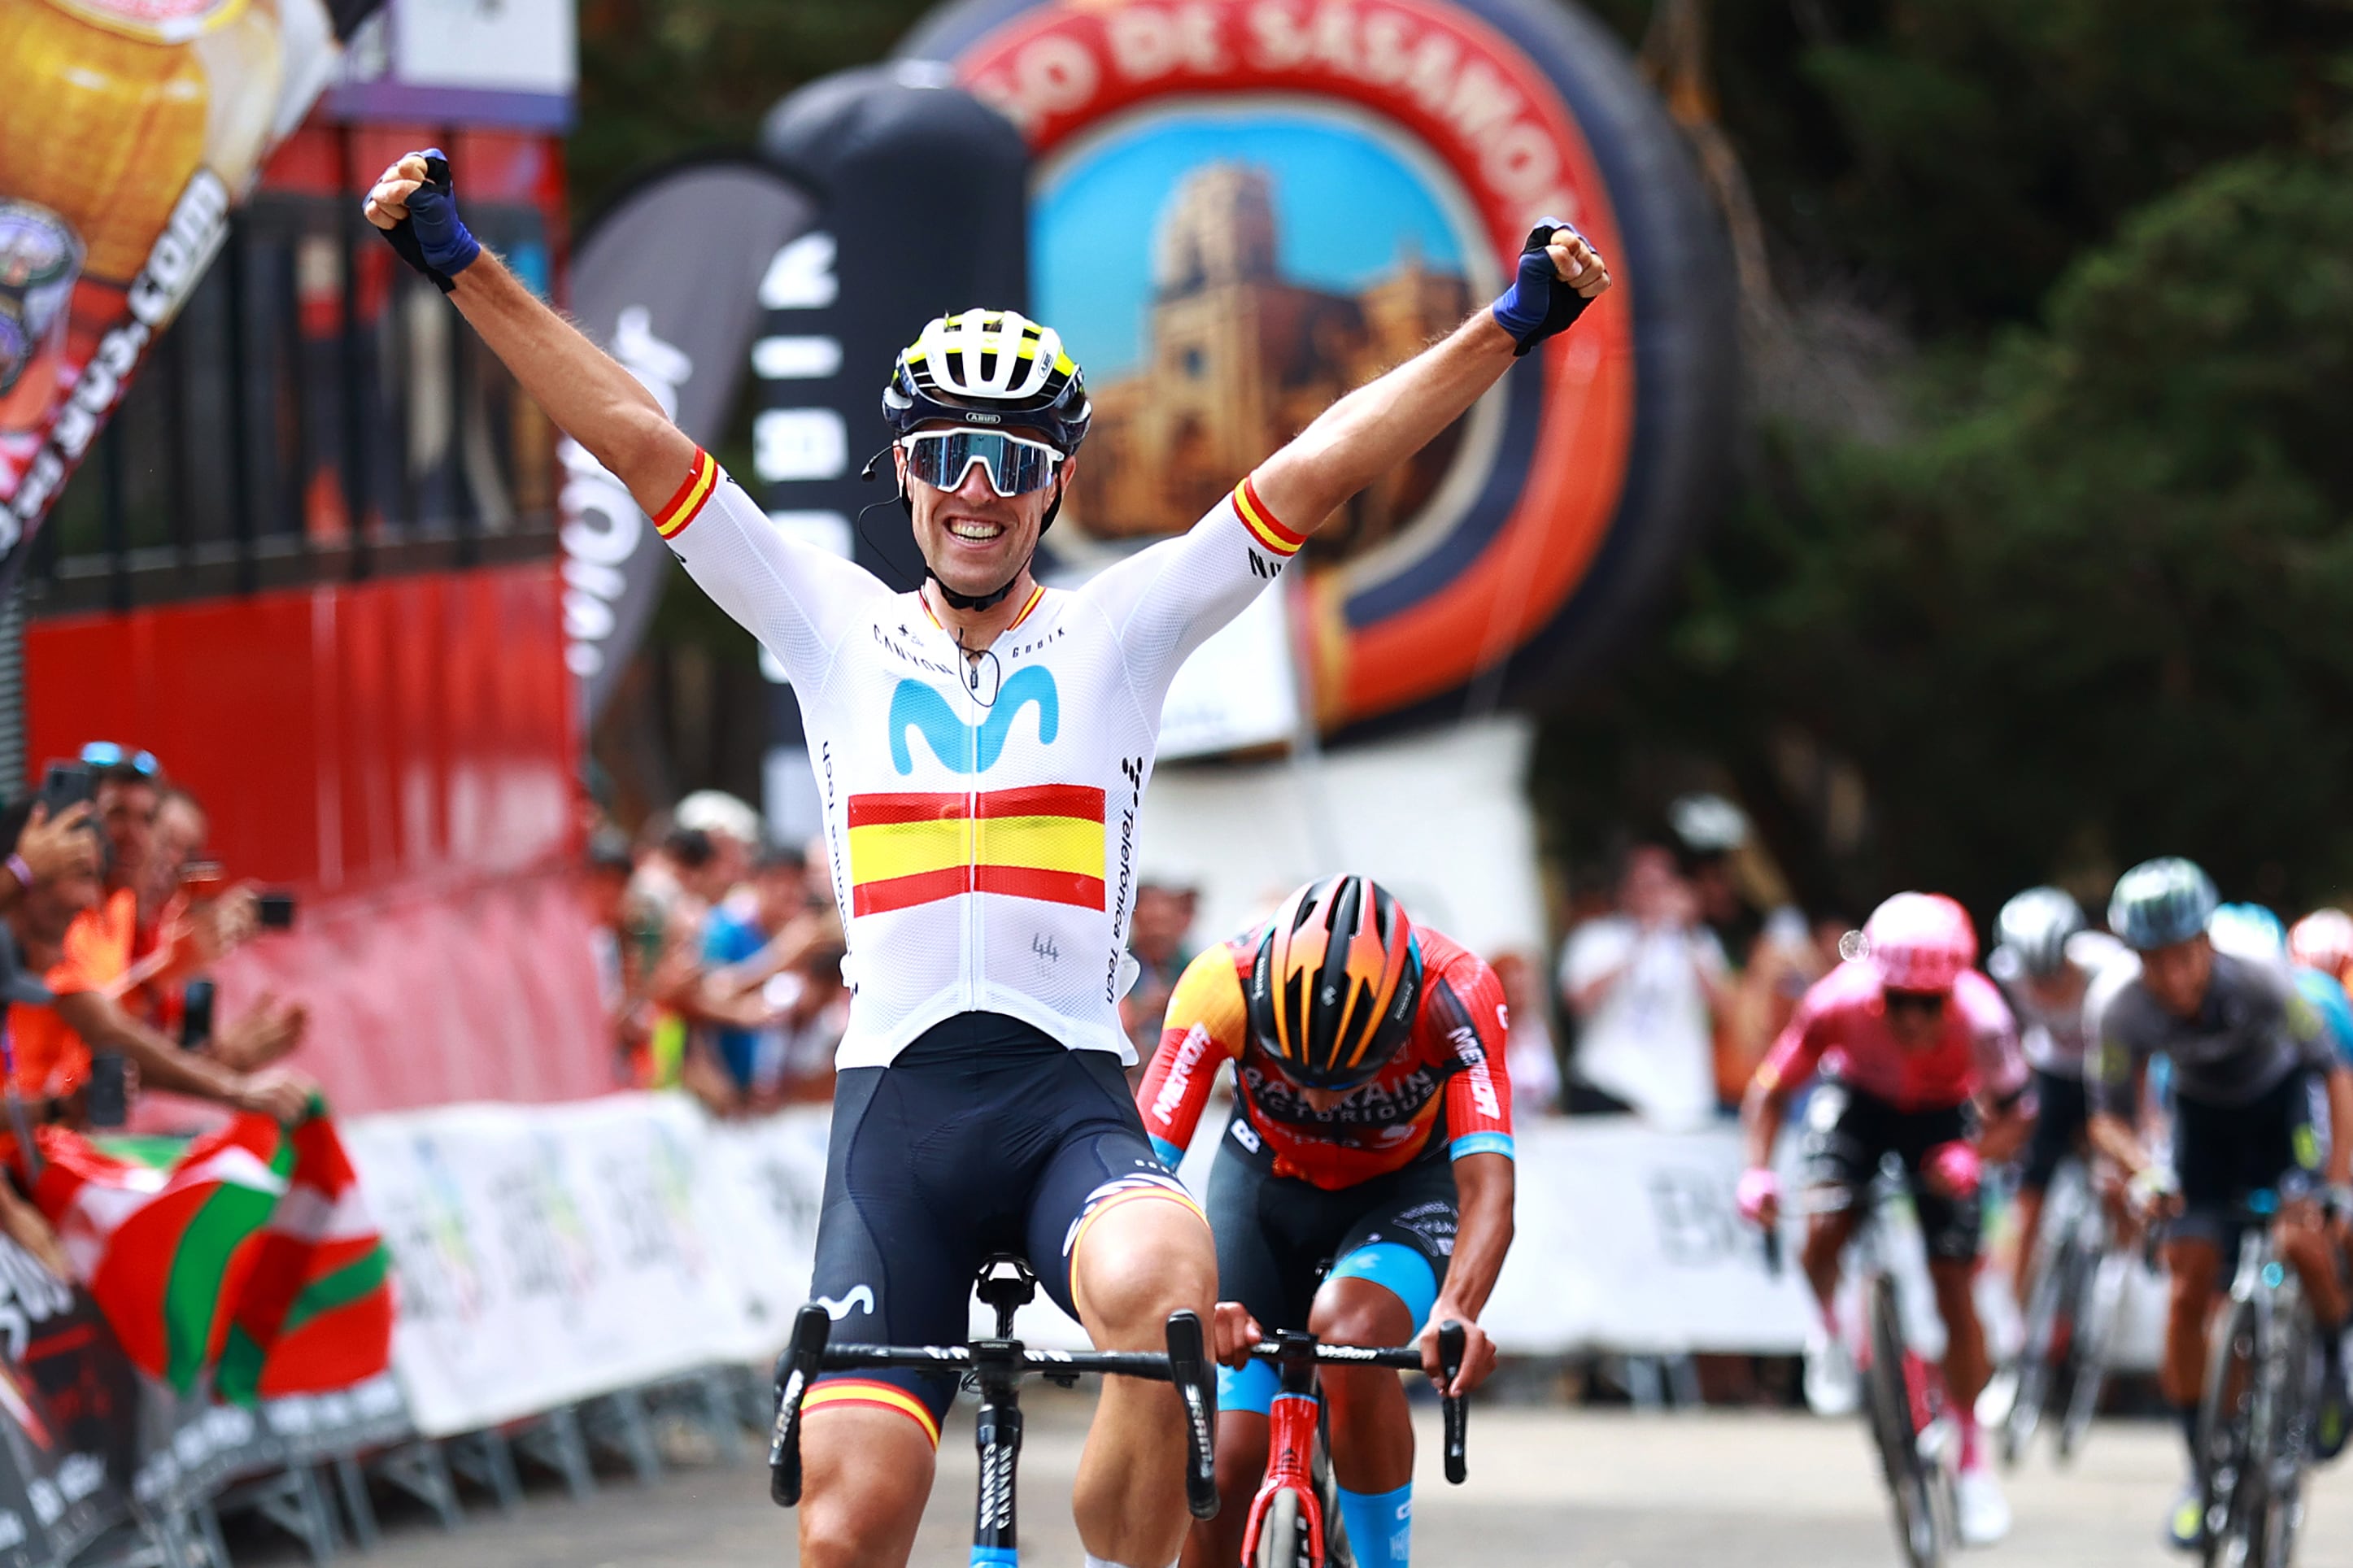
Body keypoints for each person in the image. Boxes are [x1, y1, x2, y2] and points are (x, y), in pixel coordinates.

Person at [364, 146, 1609, 1568]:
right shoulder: (824, 619)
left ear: (1052, 482)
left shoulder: (1122, 628)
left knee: (1168, 1278)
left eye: (1011, 460)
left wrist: (1503, 324)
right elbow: (638, 438)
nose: (977, 488)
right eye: (948, 454)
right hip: (894, 1117)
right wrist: (462, 262)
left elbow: (1316, 466)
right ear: (902, 471)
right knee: (848, 1526)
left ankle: (1124, 1542)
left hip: (1062, 1098)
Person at [1136, 876, 1512, 1568]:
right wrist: (1191, 1296)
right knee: (1225, 1470)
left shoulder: (1456, 992)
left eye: (1350, 1075)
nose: (1314, 1094)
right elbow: (1138, 1182)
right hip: (1262, 1187)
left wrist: (1457, 1309)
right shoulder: (1219, 983)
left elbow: (1488, 1186)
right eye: (1291, 1066)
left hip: (1401, 1194)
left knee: (1352, 1332)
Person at [1735, 891, 2029, 1546]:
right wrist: (1755, 1172)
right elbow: (1770, 1090)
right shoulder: (1833, 1002)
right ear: (1876, 990)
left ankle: (1973, 1460)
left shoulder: (1983, 1018)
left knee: (1953, 1284)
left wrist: (1972, 1154)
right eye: (1899, 1002)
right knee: (1823, 1219)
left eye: (1931, 1005)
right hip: (1857, 1101)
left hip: (1941, 1119)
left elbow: (2017, 1114)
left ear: (1954, 993)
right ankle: (1829, 1331)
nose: (1915, 1021)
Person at [2085, 860, 2353, 1550]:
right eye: (2153, 962)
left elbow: (2332, 1072)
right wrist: (2144, 1173)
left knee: (2301, 1242)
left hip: (2281, 1112)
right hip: (2201, 1126)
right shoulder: (2118, 1006)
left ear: (2206, 941)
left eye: (2183, 956)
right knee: (2186, 1281)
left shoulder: (2262, 979)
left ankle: (2331, 1359)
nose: (2172, 978)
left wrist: (2335, 1183)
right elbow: (2107, 1119)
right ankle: (2202, 1469)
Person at [1985, 886, 2125, 1311]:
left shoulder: (2112, 970)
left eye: (2056, 974)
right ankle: (2016, 1319)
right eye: (2036, 978)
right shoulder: (2005, 973)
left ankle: (2121, 1282)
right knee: (2028, 1198)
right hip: (2051, 1075)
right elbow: (2001, 1043)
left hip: (2107, 1076)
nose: (2045, 988)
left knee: (2116, 1183)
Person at [1558, 843, 1729, 1128]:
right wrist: (1640, 941)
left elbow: (1725, 1008)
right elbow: (1577, 1003)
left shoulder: (1699, 942)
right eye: (1645, 885)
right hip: (1612, 1087)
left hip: (1681, 1100)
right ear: (1625, 890)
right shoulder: (1596, 937)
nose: (1654, 895)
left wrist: (1687, 931)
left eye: (1662, 885)